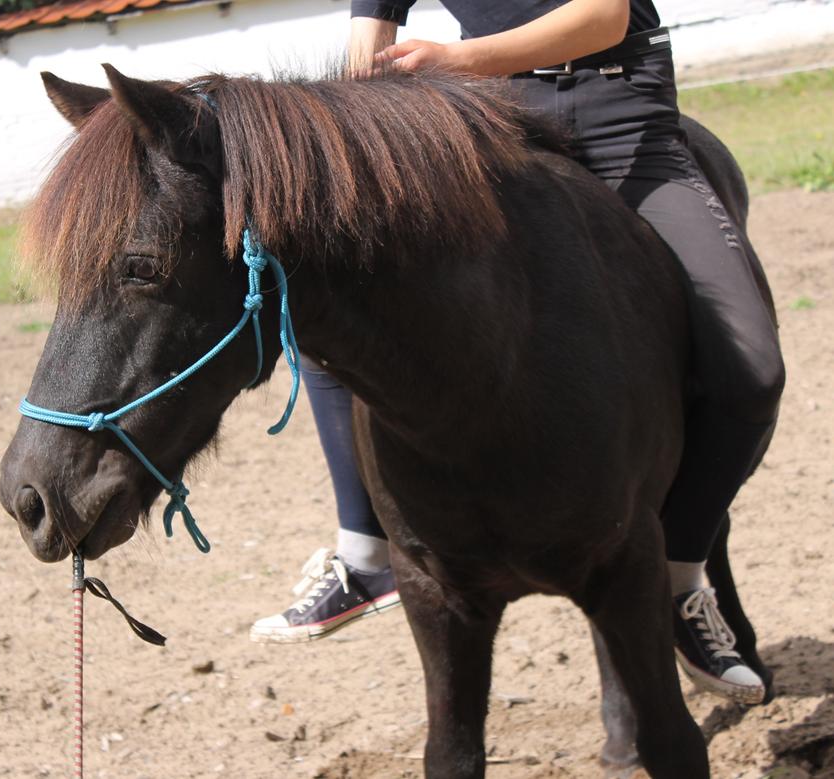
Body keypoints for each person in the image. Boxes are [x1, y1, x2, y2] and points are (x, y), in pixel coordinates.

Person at [250, 0, 785, 705]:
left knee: (752, 371)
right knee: (338, 310)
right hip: (500, 127)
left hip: (622, 118)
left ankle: (681, 577)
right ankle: (364, 554)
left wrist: (458, 60)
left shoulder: (505, 61)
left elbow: (604, 18)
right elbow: (363, 54)